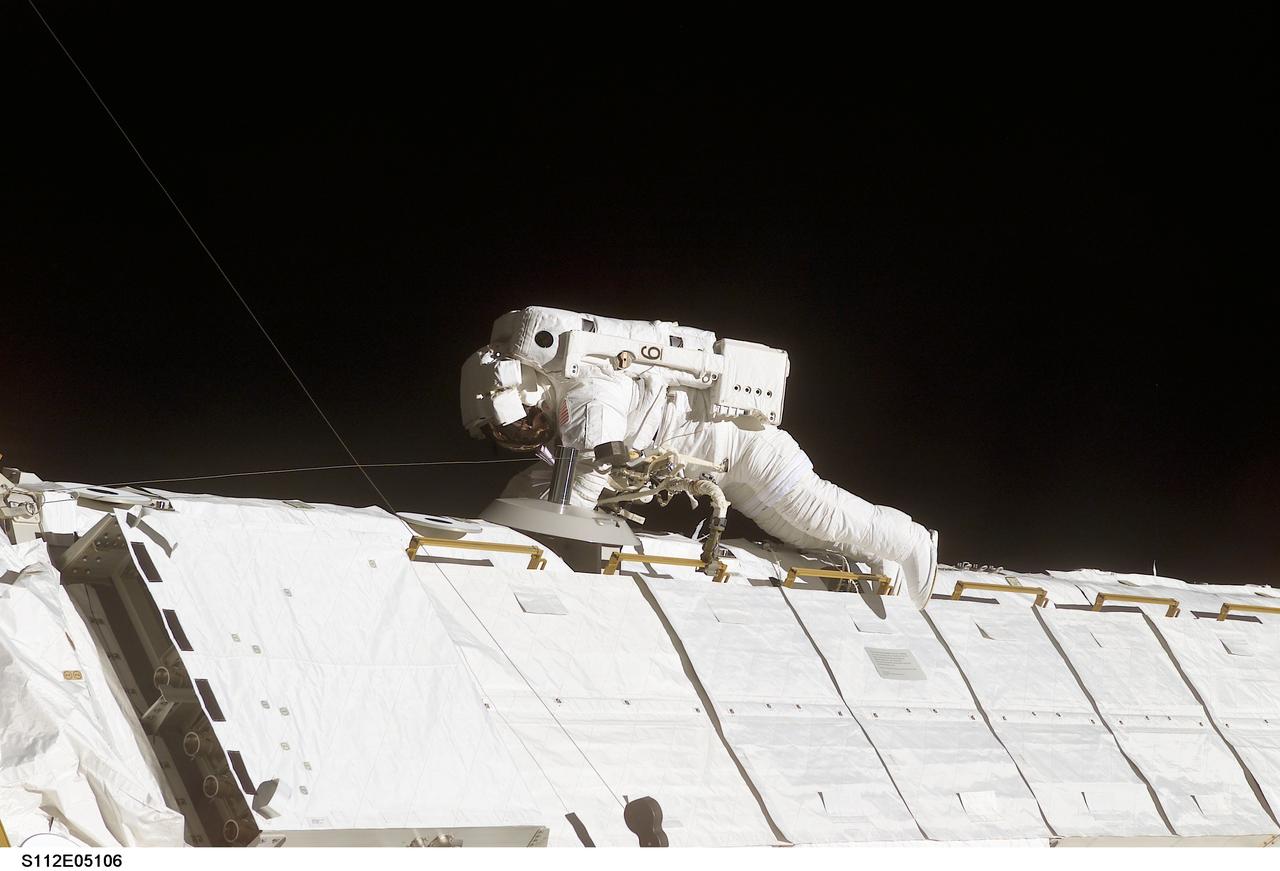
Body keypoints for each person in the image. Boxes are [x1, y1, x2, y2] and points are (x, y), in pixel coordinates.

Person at [461, 306, 939, 607]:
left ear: (524, 391)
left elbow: (584, 477)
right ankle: (884, 563)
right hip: (716, 463)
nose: (526, 434)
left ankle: (911, 543)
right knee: (800, 532)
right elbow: (556, 481)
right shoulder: (569, 386)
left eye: (521, 425)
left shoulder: (588, 392)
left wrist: (541, 555)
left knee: (823, 517)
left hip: (747, 448)